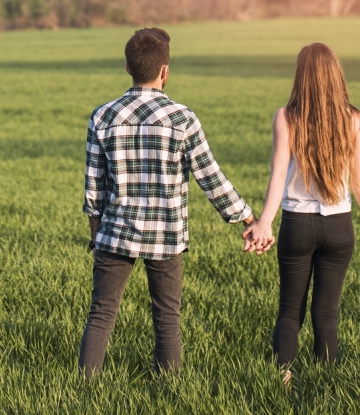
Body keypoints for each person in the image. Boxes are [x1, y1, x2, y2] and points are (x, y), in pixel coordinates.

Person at [78, 27, 267, 377]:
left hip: (114, 233)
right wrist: (247, 218)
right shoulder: (182, 119)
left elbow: (94, 188)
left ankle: (84, 387)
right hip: (166, 237)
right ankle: (169, 389)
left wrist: (96, 234)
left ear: (127, 67)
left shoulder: (102, 116)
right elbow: (211, 178)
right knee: (167, 318)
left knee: (101, 314)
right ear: (165, 71)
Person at [243, 42, 360, 382]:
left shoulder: (287, 116)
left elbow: (278, 173)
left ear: (301, 77)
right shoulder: (354, 119)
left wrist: (264, 222)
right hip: (339, 228)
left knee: (290, 311)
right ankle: (326, 383)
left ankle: (283, 378)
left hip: (297, 225)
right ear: (336, 75)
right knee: (327, 314)